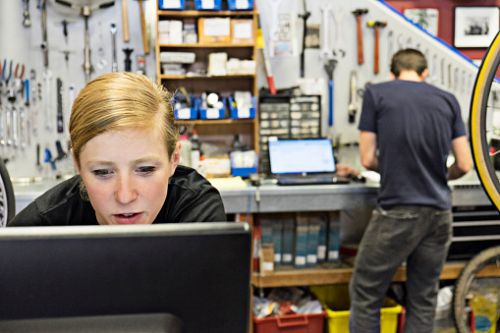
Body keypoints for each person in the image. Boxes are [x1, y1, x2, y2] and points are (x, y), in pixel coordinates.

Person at [350, 49, 472, 333]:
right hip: (439, 214)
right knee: (423, 297)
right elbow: (464, 164)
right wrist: (440, 174)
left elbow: (367, 159)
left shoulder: (376, 93)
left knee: (367, 293)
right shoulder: (448, 99)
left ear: (392, 73)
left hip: (397, 211)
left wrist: (393, 169)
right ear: (425, 73)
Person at [9, 72, 226, 226]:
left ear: (174, 159)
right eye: (102, 172)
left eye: (146, 169)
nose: (124, 196)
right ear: (78, 164)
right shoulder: (39, 228)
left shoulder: (196, 212)